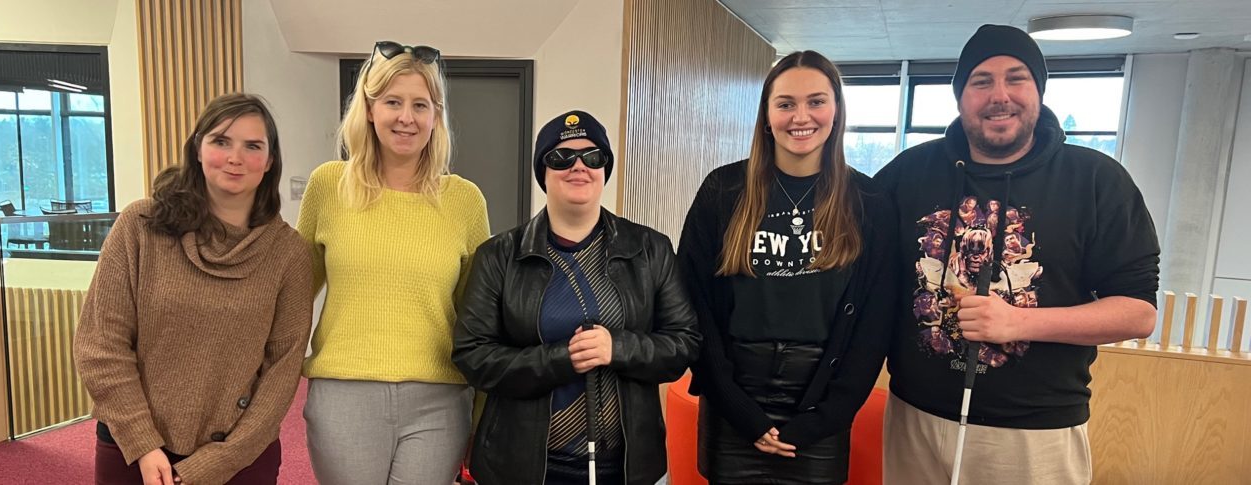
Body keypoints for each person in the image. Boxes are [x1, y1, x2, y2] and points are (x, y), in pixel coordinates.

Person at [874, 24, 1160, 484]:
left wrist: (1019, 322)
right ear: (960, 96)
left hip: (1033, 432)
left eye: (1016, 78)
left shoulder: (1096, 181)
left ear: (1039, 91)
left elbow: (1138, 313)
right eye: (981, 81)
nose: (999, 95)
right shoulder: (909, 172)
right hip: (916, 420)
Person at [677, 50, 899, 485]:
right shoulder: (723, 190)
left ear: (836, 110)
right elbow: (693, 304)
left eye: (816, 101)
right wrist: (738, 409)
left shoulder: (868, 202)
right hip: (732, 404)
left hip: (820, 408)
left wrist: (826, 418)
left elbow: (876, 325)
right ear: (766, 115)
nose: (801, 116)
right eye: (785, 104)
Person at [74, 93, 313, 485]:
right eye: (221, 141)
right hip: (135, 448)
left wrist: (219, 462)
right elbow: (101, 345)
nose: (235, 158)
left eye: (253, 146)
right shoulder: (140, 226)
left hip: (239, 455)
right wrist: (143, 443)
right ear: (198, 149)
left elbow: (282, 370)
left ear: (270, 161)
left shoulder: (289, 252)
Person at [453, 110, 700, 485]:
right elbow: (473, 356)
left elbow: (684, 344)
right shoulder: (499, 256)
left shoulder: (651, 250)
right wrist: (562, 358)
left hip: (624, 468)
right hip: (520, 467)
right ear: (543, 172)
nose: (579, 166)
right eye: (561, 157)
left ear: (604, 169)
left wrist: (618, 348)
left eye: (593, 156)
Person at [295, 41, 490, 484]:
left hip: (439, 399)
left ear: (436, 116)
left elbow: (478, 316)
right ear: (368, 109)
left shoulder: (464, 200)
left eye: (421, 105)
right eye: (392, 102)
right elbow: (294, 294)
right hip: (344, 394)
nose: (407, 117)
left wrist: (484, 410)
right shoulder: (328, 186)